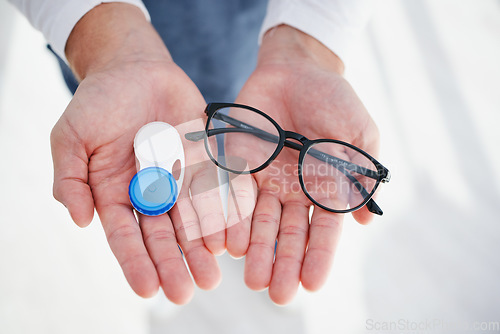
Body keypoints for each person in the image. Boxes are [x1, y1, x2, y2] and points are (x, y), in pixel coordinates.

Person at [8, 0, 378, 306]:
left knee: (241, 136)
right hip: (113, 59)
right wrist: (101, 36)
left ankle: (241, 219)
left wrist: (309, 37)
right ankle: (210, 226)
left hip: (242, 35)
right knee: (209, 177)